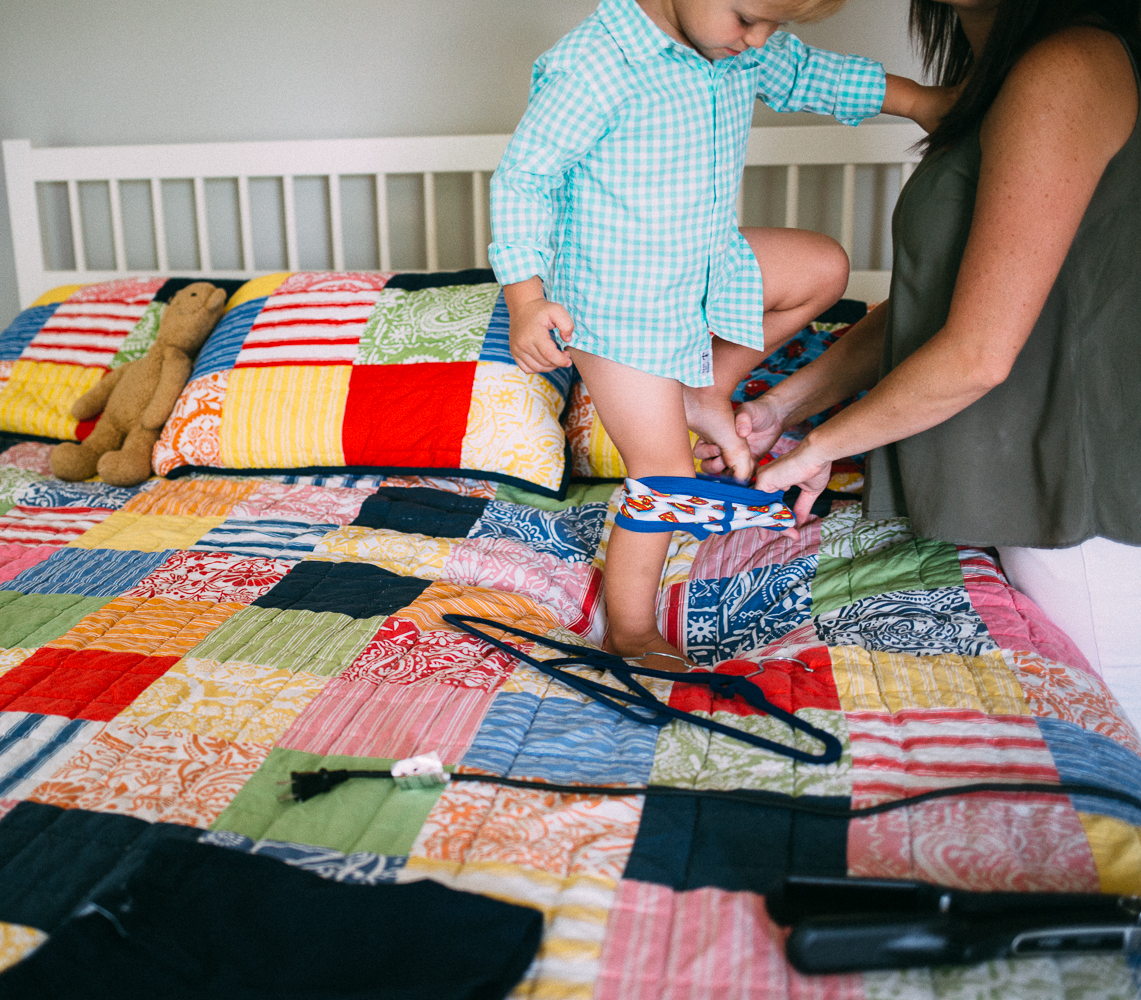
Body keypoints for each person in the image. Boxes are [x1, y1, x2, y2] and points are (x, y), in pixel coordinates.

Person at [704, 0, 1141, 716]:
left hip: (1087, 511)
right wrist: (779, 407)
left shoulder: (1068, 66)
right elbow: (936, 306)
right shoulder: (991, 81)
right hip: (1022, 491)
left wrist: (817, 448)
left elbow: (976, 353)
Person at [489, 0, 951, 664]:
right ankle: (631, 629)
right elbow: (525, 179)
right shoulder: (596, 64)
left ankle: (710, 387)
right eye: (746, 17)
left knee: (822, 267)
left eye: (774, 26)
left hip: (703, 265)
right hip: (619, 308)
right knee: (665, 476)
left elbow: (815, 75)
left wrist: (926, 103)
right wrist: (527, 297)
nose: (758, 40)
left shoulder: (738, 44)